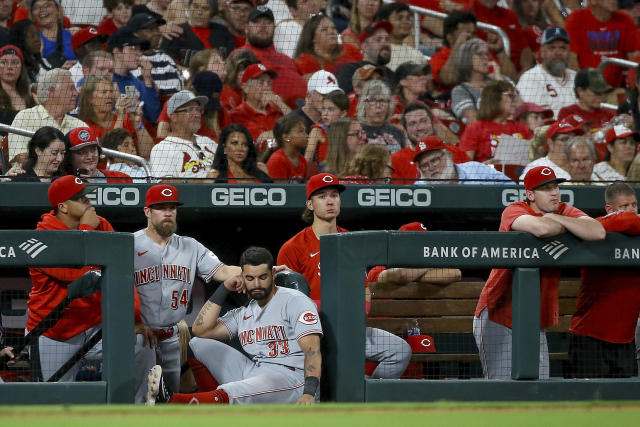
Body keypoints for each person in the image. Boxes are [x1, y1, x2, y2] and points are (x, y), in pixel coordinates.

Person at [145, 246, 323, 405]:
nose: (257, 284)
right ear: (242, 278)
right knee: (198, 344)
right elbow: (201, 329)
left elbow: (312, 351)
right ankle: (212, 399)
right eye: (250, 278)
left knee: (236, 391)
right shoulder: (246, 311)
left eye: (263, 277)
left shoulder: (295, 301)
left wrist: (309, 393)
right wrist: (224, 288)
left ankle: (172, 403)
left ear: (273, 275)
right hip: (258, 370)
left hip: (292, 378)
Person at [473, 166, 606, 379]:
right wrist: (566, 224)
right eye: (545, 188)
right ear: (530, 194)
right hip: (498, 312)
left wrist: (557, 218)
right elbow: (540, 229)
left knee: (539, 384)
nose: (554, 192)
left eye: (555, 187)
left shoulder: (562, 210)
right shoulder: (514, 209)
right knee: (501, 388)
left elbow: (598, 231)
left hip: (532, 317)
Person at [277, 172, 411, 379]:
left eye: (334, 195)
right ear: (310, 204)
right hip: (307, 333)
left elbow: (364, 290)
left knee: (400, 351)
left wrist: (358, 315)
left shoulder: (351, 242)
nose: (330, 201)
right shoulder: (293, 247)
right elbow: (283, 303)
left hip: (347, 326)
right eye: (322, 196)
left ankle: (366, 397)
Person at [28, 175, 155, 384]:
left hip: (97, 326)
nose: (88, 202)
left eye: (87, 196)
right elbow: (79, 277)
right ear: (63, 207)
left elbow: (122, 273)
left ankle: (138, 410)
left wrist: (132, 319)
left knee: (141, 343)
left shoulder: (101, 224)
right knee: (55, 400)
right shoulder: (42, 237)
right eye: (80, 199)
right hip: (56, 331)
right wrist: (86, 230)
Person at [133, 184, 246, 400]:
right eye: (161, 208)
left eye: (172, 208)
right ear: (147, 212)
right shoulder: (130, 244)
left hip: (173, 337)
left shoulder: (190, 246)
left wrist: (258, 271)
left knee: (172, 398)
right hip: (140, 336)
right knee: (139, 400)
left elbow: (222, 270)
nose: (168, 213)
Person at [568, 181, 640, 378]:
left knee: (624, 405)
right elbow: (625, 221)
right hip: (590, 338)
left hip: (624, 340)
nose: (631, 210)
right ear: (609, 208)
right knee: (587, 403)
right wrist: (631, 217)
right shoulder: (597, 227)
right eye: (624, 206)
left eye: (634, 205)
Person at [232, 5, 307, 109]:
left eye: (268, 23)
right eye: (256, 22)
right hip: (269, 115)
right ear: (246, 28)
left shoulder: (286, 58)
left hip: (304, 112)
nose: (263, 26)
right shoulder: (240, 55)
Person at [8, 68, 86, 164]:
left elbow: (96, 159)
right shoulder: (25, 117)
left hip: (74, 178)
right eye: (71, 88)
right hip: (34, 178)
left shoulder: (79, 125)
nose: (76, 93)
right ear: (52, 91)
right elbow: (22, 159)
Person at [430, 11, 517, 90]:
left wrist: (499, 50)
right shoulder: (438, 58)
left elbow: (512, 80)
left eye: (473, 34)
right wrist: (458, 46)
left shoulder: (482, 56)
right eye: (465, 34)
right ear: (450, 38)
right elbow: (447, 80)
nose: (471, 38)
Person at [565, 0, 640, 88]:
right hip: (587, 87)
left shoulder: (625, 19)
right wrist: (583, 87)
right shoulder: (576, 18)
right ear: (593, 1)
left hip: (617, 89)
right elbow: (571, 60)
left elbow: (634, 57)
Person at [77, 74, 154, 159]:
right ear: (89, 98)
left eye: (111, 91)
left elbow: (148, 153)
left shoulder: (127, 119)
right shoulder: (84, 127)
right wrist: (120, 117)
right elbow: (112, 155)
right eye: (104, 92)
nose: (109, 96)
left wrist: (137, 123)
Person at [366, 222, 462, 286]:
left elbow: (456, 273)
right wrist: (428, 265)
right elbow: (400, 275)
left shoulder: (422, 270)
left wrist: (413, 276)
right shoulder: (379, 268)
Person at [150, 90, 217, 180]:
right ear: (174, 117)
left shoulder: (208, 142)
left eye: (198, 109)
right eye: (190, 110)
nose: (197, 114)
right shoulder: (162, 149)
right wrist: (203, 181)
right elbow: (166, 187)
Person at [459, 80, 532, 163]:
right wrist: (484, 167)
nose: (516, 100)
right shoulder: (475, 128)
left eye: (516, 96)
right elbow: (464, 166)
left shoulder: (522, 128)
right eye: (511, 96)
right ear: (494, 98)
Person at [516, 27, 576, 119]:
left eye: (563, 48)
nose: (558, 52)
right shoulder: (531, 78)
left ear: (569, 52)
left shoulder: (576, 77)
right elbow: (536, 121)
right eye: (552, 48)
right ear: (542, 51)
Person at [108, 27, 162, 124]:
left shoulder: (137, 83)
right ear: (117, 52)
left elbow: (154, 118)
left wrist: (148, 79)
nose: (139, 53)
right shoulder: (104, 81)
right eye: (133, 48)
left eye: (140, 49)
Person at [160, 0, 235, 67]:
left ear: (212, 13)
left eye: (205, 8)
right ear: (189, 7)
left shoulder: (222, 31)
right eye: (195, 6)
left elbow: (231, 61)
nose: (199, 12)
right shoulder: (174, 32)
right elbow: (167, 64)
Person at [227, 63, 289, 143]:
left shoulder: (277, 109)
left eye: (269, 83)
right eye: (261, 83)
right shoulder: (236, 115)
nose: (266, 87)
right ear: (246, 88)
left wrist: (279, 102)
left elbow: (295, 126)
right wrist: (287, 134)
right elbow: (259, 139)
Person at [450, 38, 506, 124]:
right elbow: (474, 122)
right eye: (480, 54)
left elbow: (520, 108)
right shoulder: (460, 91)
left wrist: (500, 82)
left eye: (487, 54)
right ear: (467, 58)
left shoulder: (500, 80)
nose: (486, 58)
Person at [413, 136, 512, 185]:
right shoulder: (419, 189)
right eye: (424, 165)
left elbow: (510, 188)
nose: (431, 167)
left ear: (449, 157)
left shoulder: (476, 169)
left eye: (435, 160)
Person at [129, 12, 184, 99]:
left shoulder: (165, 57)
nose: (157, 33)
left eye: (157, 29)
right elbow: (140, 94)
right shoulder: (130, 59)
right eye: (151, 29)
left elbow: (179, 90)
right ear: (135, 34)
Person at [294, 13, 363, 78]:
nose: (331, 32)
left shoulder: (349, 48)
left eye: (334, 28)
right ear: (312, 37)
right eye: (324, 30)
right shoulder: (306, 61)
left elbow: (365, 69)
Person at [335, 20, 394, 95]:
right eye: (378, 40)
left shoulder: (393, 75)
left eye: (387, 39)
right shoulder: (349, 70)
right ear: (364, 46)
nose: (385, 43)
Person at [519, 116, 586, 181]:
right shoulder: (536, 167)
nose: (570, 143)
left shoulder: (582, 165)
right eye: (564, 139)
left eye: (573, 139)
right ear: (550, 143)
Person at [61, 126, 132, 183]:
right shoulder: (62, 182)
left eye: (93, 150)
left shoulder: (121, 179)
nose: (90, 156)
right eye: (82, 152)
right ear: (69, 157)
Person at [557, 68, 616, 133]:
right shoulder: (567, 113)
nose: (600, 97)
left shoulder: (609, 115)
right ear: (580, 91)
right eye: (596, 92)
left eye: (602, 92)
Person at [304, 89, 349, 171]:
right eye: (324, 109)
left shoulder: (351, 131)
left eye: (330, 110)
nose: (325, 113)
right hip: (324, 176)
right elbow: (308, 159)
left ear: (343, 114)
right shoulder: (317, 131)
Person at [374, 2, 427, 72]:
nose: (406, 22)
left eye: (408, 18)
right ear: (385, 23)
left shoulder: (417, 54)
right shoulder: (376, 51)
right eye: (399, 18)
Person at [357, 79, 405, 154]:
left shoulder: (398, 133)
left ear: (389, 106)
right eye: (372, 100)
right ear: (364, 104)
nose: (378, 105)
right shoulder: (355, 132)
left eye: (382, 101)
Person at [31, 0, 77, 67]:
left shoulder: (74, 35)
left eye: (47, 6)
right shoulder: (32, 42)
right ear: (32, 14)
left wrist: (77, 64)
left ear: (58, 10)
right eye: (36, 7)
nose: (42, 10)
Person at [0, 45, 37, 127]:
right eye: (3, 62)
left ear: (21, 68)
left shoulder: (33, 98)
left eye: (14, 63)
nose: (9, 67)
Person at [264, 114, 308, 182]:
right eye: (301, 131)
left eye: (305, 131)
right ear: (286, 137)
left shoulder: (302, 160)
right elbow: (281, 191)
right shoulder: (277, 160)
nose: (306, 135)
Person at [9, 19, 50, 84]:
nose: (37, 39)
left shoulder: (44, 62)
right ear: (20, 40)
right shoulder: (15, 68)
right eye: (32, 36)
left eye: (38, 35)